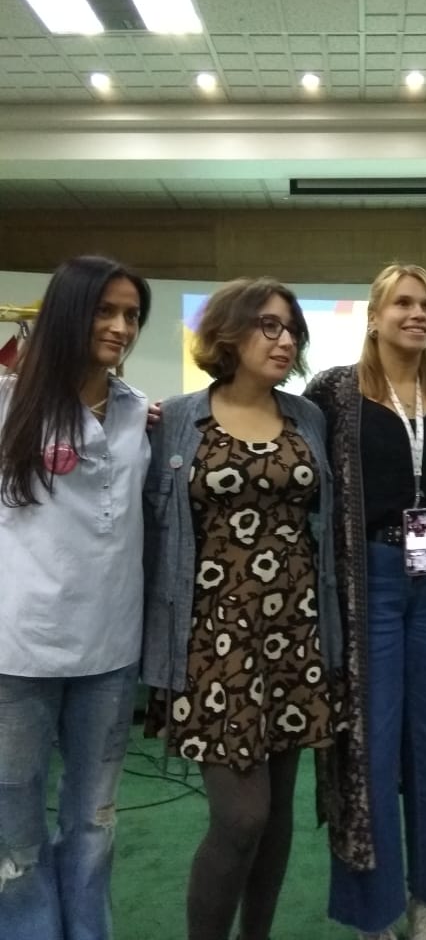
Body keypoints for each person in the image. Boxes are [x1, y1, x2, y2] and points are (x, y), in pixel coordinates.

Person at [141, 277, 342, 940]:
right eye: (268, 325)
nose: (284, 341)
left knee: (277, 815)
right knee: (241, 817)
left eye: (291, 330)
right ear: (228, 333)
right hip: (212, 638)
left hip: (295, 631)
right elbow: (148, 524)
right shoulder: (178, 418)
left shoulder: (306, 418)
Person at [305, 263, 426, 940]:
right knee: (367, 747)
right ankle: (373, 913)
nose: (417, 313)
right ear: (374, 316)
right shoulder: (334, 392)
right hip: (367, 581)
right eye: (403, 303)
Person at [0, 255, 152, 940]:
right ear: (68, 313)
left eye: (131, 315)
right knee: (15, 833)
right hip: (18, 653)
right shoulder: (9, 402)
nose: (121, 327)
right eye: (105, 311)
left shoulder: (137, 412)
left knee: (93, 824)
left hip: (110, 654)